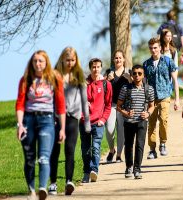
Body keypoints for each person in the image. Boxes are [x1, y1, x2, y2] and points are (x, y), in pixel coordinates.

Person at [16, 50, 66, 200]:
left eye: (41, 61)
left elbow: (61, 105)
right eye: (35, 61)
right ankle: (31, 190)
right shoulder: (25, 80)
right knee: (30, 159)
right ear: (32, 63)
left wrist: (62, 128)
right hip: (29, 121)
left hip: (47, 121)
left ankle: (42, 188)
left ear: (46, 63)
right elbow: (19, 104)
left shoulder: (55, 79)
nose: (38, 64)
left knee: (44, 157)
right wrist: (20, 125)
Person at [48, 47, 91, 195]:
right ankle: (53, 183)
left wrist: (87, 122)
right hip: (56, 117)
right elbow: (49, 98)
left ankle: (69, 181)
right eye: (68, 60)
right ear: (62, 59)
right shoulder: (54, 75)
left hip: (73, 117)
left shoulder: (79, 75)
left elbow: (85, 100)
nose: (70, 63)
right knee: (55, 150)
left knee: (70, 150)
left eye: (73, 60)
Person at [143, 37, 179, 159]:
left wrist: (177, 99)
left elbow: (175, 80)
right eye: (151, 48)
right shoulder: (146, 64)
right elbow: (144, 83)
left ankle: (163, 143)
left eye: (155, 48)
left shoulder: (168, 61)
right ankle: (152, 149)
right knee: (151, 124)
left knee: (163, 120)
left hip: (165, 96)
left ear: (160, 48)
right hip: (151, 99)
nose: (153, 50)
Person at [117, 64, 154, 179]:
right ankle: (129, 167)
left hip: (142, 121)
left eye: (139, 73)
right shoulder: (125, 88)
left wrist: (147, 113)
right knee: (128, 145)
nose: (137, 76)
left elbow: (152, 106)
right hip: (128, 122)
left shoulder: (149, 89)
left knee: (140, 145)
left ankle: (137, 169)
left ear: (143, 75)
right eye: (134, 73)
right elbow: (118, 106)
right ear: (131, 75)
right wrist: (125, 113)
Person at [80, 58, 112, 183]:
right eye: (93, 67)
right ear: (90, 68)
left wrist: (103, 119)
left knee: (96, 147)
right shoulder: (83, 84)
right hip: (84, 122)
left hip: (98, 122)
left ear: (101, 68)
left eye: (98, 67)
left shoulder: (106, 84)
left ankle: (94, 170)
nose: (96, 69)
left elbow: (108, 105)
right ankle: (86, 172)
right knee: (85, 149)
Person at [104, 50, 131, 163]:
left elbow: (135, 86)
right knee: (110, 130)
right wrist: (107, 80)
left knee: (121, 131)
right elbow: (102, 88)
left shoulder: (128, 72)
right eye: (116, 58)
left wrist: (130, 79)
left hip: (124, 106)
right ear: (113, 59)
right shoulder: (109, 72)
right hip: (112, 105)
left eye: (120, 58)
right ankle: (111, 150)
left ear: (124, 59)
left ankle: (119, 155)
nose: (118, 60)